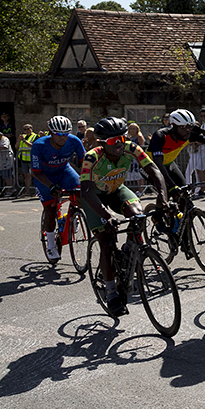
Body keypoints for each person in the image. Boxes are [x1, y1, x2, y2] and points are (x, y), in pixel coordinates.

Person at [80, 117, 167, 316]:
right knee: (107, 241)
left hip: (117, 190)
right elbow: (85, 191)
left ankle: (128, 250)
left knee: (138, 216)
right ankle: (111, 293)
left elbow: (154, 170)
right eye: (112, 141)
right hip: (94, 197)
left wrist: (163, 197)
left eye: (121, 138)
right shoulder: (92, 157)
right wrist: (106, 215)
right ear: (102, 143)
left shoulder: (132, 148)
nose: (118, 143)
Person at [31, 116, 87, 260]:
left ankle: (72, 217)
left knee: (81, 192)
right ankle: (50, 245)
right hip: (44, 177)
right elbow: (36, 172)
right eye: (59, 134)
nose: (63, 138)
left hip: (64, 172)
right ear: (51, 132)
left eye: (65, 134)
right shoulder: (39, 145)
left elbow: (85, 162)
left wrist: (89, 179)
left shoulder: (74, 141)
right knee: (50, 208)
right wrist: (50, 186)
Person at [147, 109, 205, 194]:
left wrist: (201, 130)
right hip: (151, 166)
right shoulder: (160, 136)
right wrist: (172, 185)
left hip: (168, 163)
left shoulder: (189, 135)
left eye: (190, 127)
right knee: (167, 192)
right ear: (174, 126)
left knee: (184, 191)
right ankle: (160, 207)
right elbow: (158, 163)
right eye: (183, 127)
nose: (188, 130)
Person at [15, 123, 37, 192]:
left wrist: (24, 141)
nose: (27, 130)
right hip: (24, 159)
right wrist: (19, 140)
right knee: (26, 176)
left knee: (35, 175)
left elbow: (33, 146)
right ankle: (28, 191)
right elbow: (16, 146)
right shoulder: (22, 136)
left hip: (32, 158)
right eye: (25, 129)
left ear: (31, 129)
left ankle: (36, 191)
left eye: (28, 129)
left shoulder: (35, 136)